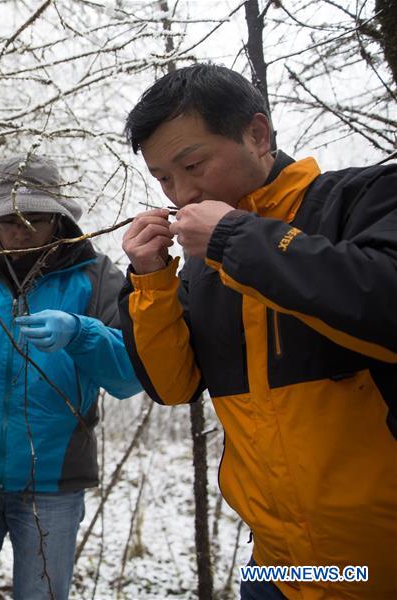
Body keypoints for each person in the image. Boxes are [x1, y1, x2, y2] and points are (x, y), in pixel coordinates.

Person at [119, 63, 397, 599]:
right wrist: (151, 283)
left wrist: (235, 239)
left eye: (192, 164)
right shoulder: (203, 266)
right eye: (163, 178)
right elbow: (173, 387)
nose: (180, 191)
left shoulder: (365, 198)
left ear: (258, 134)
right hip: (279, 568)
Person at [0, 154, 143, 600]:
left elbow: (130, 376)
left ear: (59, 219)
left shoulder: (96, 276)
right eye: (9, 220)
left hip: (53, 487)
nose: (21, 230)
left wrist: (81, 333)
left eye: (34, 219)